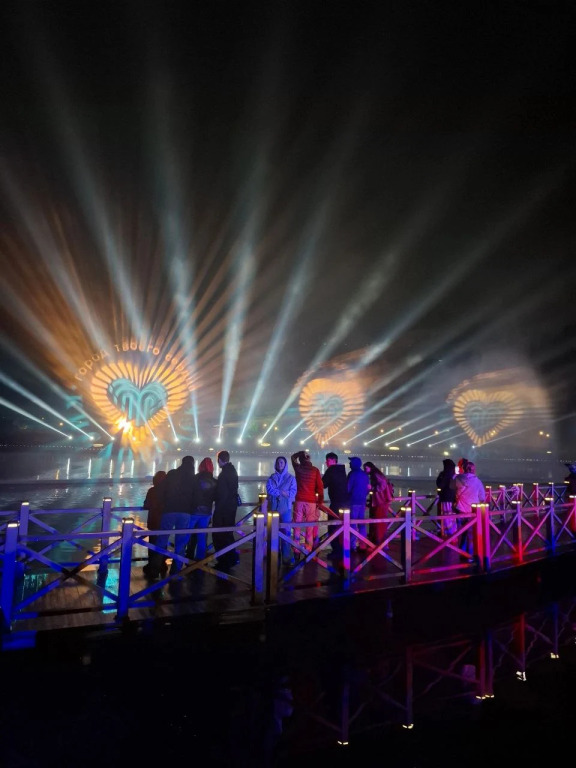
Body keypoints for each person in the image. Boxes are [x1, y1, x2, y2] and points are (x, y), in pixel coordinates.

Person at [151, 455, 195, 577]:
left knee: (162, 540)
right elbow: (196, 496)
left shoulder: (172, 473)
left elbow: (161, 490)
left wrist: (164, 503)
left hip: (169, 511)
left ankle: (155, 569)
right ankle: (176, 571)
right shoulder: (193, 478)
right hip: (185, 513)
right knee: (181, 543)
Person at [451, 459, 486, 558]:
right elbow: (482, 498)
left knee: (461, 533)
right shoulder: (478, 482)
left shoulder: (458, 479)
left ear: (464, 469)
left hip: (460, 510)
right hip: (472, 512)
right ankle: (469, 555)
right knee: (471, 534)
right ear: (473, 470)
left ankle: (461, 552)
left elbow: (451, 489)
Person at [290, 450, 324, 552]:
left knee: (297, 526)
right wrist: (320, 502)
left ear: (300, 460)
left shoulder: (298, 469)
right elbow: (320, 487)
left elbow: (293, 457)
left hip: (299, 500)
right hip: (311, 502)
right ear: (309, 459)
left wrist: (300, 452)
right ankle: (308, 549)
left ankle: (296, 549)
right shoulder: (315, 470)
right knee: (310, 526)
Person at [266, 456, 297, 565]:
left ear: (285, 465)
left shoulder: (291, 478)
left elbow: (293, 492)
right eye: (278, 462)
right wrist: (282, 492)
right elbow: (269, 489)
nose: (280, 464)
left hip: (286, 509)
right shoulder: (272, 477)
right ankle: (274, 556)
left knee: (286, 532)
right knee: (273, 532)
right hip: (273, 508)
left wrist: (280, 492)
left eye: (282, 463)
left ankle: (286, 557)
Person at [212, 450, 240, 570]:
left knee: (219, 535)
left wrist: (216, 510)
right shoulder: (233, 471)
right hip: (231, 508)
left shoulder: (224, 474)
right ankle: (231, 558)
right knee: (228, 534)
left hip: (223, 511)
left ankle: (224, 561)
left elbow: (222, 494)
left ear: (219, 460)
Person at [187, 456, 217, 561]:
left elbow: (189, 494)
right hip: (206, 512)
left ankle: (184, 559)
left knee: (186, 536)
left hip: (193, 511)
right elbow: (216, 497)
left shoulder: (194, 479)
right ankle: (200, 561)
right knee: (202, 538)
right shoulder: (215, 482)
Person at [322, 451, 350, 560]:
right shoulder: (342, 470)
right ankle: (344, 550)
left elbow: (323, 484)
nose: (326, 462)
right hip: (345, 503)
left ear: (334, 460)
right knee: (343, 527)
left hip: (336, 503)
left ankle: (336, 551)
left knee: (332, 526)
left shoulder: (331, 470)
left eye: (328, 460)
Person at [142, 470, 167, 577]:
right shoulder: (168, 492)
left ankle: (152, 567)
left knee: (152, 545)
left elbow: (146, 505)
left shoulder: (152, 491)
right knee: (163, 544)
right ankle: (162, 564)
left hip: (154, 521)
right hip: (165, 522)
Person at [363, 461, 394, 547]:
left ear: (370, 467)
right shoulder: (376, 474)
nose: (365, 470)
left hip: (380, 501)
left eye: (366, 468)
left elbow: (382, 485)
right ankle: (379, 541)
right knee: (380, 521)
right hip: (381, 501)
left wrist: (372, 488)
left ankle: (379, 541)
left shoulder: (376, 474)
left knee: (379, 521)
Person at [347, 457, 370, 550]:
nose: (349, 464)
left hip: (353, 501)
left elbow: (348, 488)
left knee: (352, 524)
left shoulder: (352, 474)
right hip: (362, 502)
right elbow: (367, 489)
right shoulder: (365, 475)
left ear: (354, 464)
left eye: (350, 462)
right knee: (361, 524)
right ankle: (363, 545)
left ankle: (352, 546)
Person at [436, 458, 457, 535]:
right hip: (451, 499)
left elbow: (439, 484)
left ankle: (447, 532)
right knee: (451, 516)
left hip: (445, 498)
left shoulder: (444, 475)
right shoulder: (453, 476)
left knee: (446, 516)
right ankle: (452, 532)